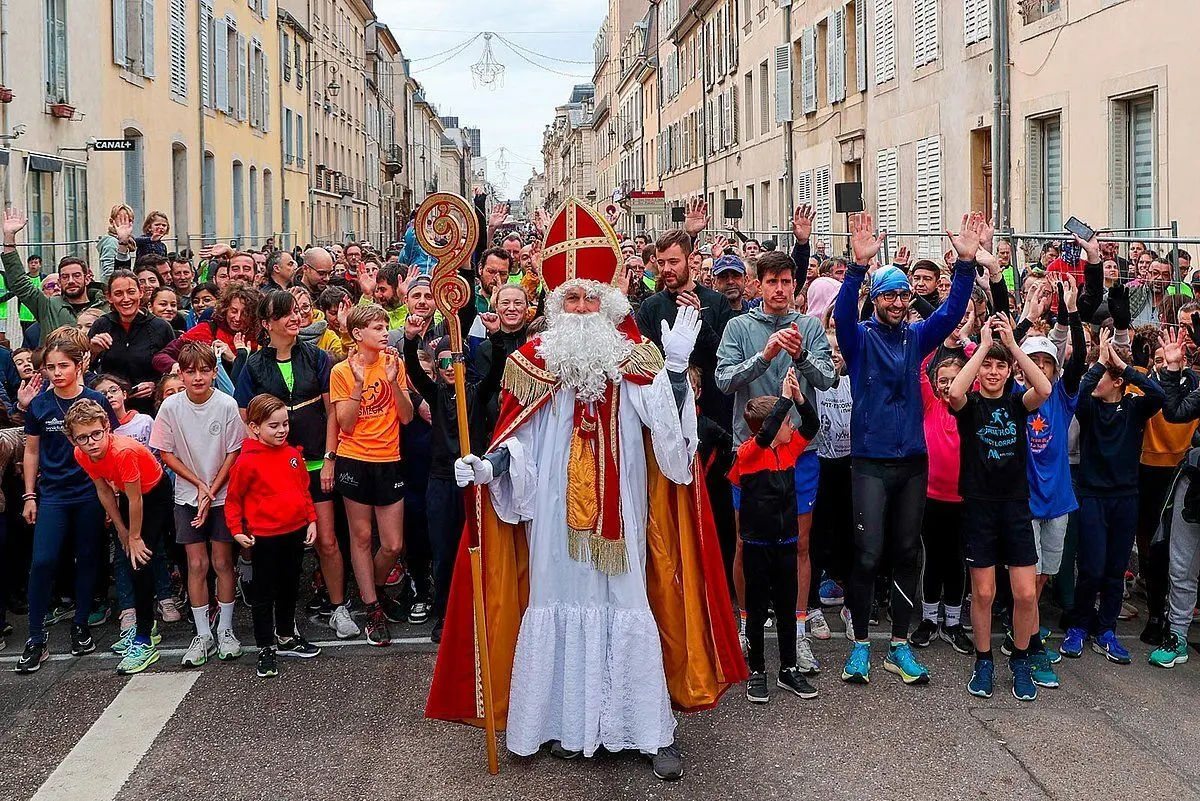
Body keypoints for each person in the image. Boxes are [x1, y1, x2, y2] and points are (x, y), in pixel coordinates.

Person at [428, 199, 744, 781]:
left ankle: (647, 730)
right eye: (570, 298)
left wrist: (673, 375)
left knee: (627, 609)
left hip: (622, 515)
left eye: (589, 297)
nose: (579, 308)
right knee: (554, 606)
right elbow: (521, 441)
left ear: (609, 301)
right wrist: (489, 467)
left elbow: (674, 449)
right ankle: (561, 725)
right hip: (552, 518)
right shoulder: (534, 360)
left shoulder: (635, 358)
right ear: (555, 304)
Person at [832, 211, 982, 685]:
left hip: (913, 463)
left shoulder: (917, 337)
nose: (897, 301)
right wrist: (857, 269)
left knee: (905, 552)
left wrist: (964, 263)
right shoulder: (860, 341)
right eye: (889, 295)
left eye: (902, 294)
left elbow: (951, 312)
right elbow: (840, 316)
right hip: (870, 463)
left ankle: (898, 644)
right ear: (875, 300)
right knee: (867, 552)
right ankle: (859, 645)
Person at [715, 249, 836, 673]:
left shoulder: (809, 326)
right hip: (751, 453)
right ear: (757, 285)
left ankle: (797, 633)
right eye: (772, 282)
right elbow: (724, 380)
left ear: (795, 285)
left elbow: (829, 378)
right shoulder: (739, 326)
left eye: (787, 282)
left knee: (799, 544)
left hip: (799, 453)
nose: (780, 290)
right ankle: (749, 630)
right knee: (747, 544)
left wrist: (801, 356)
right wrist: (765, 356)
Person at [234, 291, 357, 640]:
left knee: (328, 540)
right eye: (284, 314)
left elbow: (332, 412)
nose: (294, 319)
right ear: (267, 323)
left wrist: (331, 458)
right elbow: (247, 418)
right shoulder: (254, 365)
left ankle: (338, 608)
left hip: (318, 460)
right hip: (276, 469)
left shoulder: (318, 357)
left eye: (296, 312)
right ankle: (277, 618)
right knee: (276, 547)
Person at [948, 315, 1052, 701]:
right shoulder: (971, 404)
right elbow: (954, 392)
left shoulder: (1017, 402)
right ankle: (984, 660)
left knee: (1025, 594)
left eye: (999, 366)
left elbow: (1044, 387)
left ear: (1009, 370)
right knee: (985, 593)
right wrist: (981, 348)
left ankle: (1021, 660)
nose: (993, 372)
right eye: (987, 366)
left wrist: (1011, 347)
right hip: (979, 507)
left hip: (1015, 507)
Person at [12, 327, 120, 673]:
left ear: (80, 365)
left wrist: (112, 493)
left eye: (63, 365)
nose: (56, 372)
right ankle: (35, 638)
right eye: (50, 367)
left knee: (88, 558)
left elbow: (111, 447)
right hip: (53, 495)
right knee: (42, 561)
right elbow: (31, 451)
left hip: (91, 492)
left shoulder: (96, 400)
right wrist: (30, 495)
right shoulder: (40, 404)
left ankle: (81, 626)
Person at [1060, 329, 1165, 662]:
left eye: (1104, 376)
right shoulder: (1090, 410)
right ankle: (1079, 626)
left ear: (1117, 382)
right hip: (1092, 496)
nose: (1097, 383)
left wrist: (1123, 366)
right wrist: (1100, 363)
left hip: (1126, 498)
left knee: (1115, 569)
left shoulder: (1134, 409)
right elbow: (1077, 391)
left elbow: (1159, 396)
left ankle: (1106, 630)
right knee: (1090, 567)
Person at [150, 341, 246, 667]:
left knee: (222, 562)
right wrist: (199, 486)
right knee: (195, 564)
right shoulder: (171, 408)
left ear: (215, 372)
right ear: (181, 373)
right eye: (190, 371)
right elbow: (166, 453)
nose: (198, 377)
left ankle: (226, 630)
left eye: (204, 370)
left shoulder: (227, 405)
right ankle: (203, 633)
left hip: (223, 495)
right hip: (187, 495)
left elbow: (234, 452)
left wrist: (212, 489)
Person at [730, 368, 821, 703]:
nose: (792, 425)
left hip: (786, 541)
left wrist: (798, 399)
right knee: (755, 609)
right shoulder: (749, 454)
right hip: (756, 544)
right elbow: (767, 433)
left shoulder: (791, 449)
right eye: (787, 421)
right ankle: (757, 670)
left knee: (785, 608)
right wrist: (782, 400)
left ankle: (787, 668)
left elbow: (811, 426)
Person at [330, 304, 414, 646]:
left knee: (392, 544)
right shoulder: (341, 370)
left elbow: (406, 417)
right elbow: (346, 423)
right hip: (354, 458)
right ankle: (371, 607)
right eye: (377, 328)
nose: (384, 332)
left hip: (389, 457)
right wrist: (358, 384)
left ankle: (374, 588)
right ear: (358, 334)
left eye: (385, 327)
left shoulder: (395, 364)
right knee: (361, 537)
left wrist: (394, 384)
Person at [68, 399, 173, 675]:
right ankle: (144, 626)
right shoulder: (81, 455)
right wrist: (122, 532)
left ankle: (145, 638)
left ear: (106, 428)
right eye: (82, 437)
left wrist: (135, 537)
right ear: (74, 439)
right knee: (128, 556)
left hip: (153, 494)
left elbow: (137, 499)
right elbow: (103, 491)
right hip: (126, 495)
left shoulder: (123, 451)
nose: (90, 442)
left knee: (141, 560)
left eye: (96, 434)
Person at [224, 393, 321, 678]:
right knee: (264, 593)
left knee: (290, 586)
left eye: (285, 425)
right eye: (273, 426)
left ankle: (286, 636)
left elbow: (303, 490)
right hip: (264, 537)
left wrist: (311, 520)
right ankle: (266, 646)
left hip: (294, 532)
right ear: (254, 427)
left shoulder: (292, 455)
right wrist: (237, 531)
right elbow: (233, 501)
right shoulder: (246, 462)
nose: (281, 431)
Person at [87, 270, 176, 414]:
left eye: (131, 292)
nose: (126, 298)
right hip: (112, 410)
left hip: (151, 408)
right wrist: (93, 351)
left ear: (141, 292)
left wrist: (156, 385)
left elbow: (173, 371)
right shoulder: (101, 325)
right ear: (109, 297)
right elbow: (84, 370)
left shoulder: (161, 327)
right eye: (118, 294)